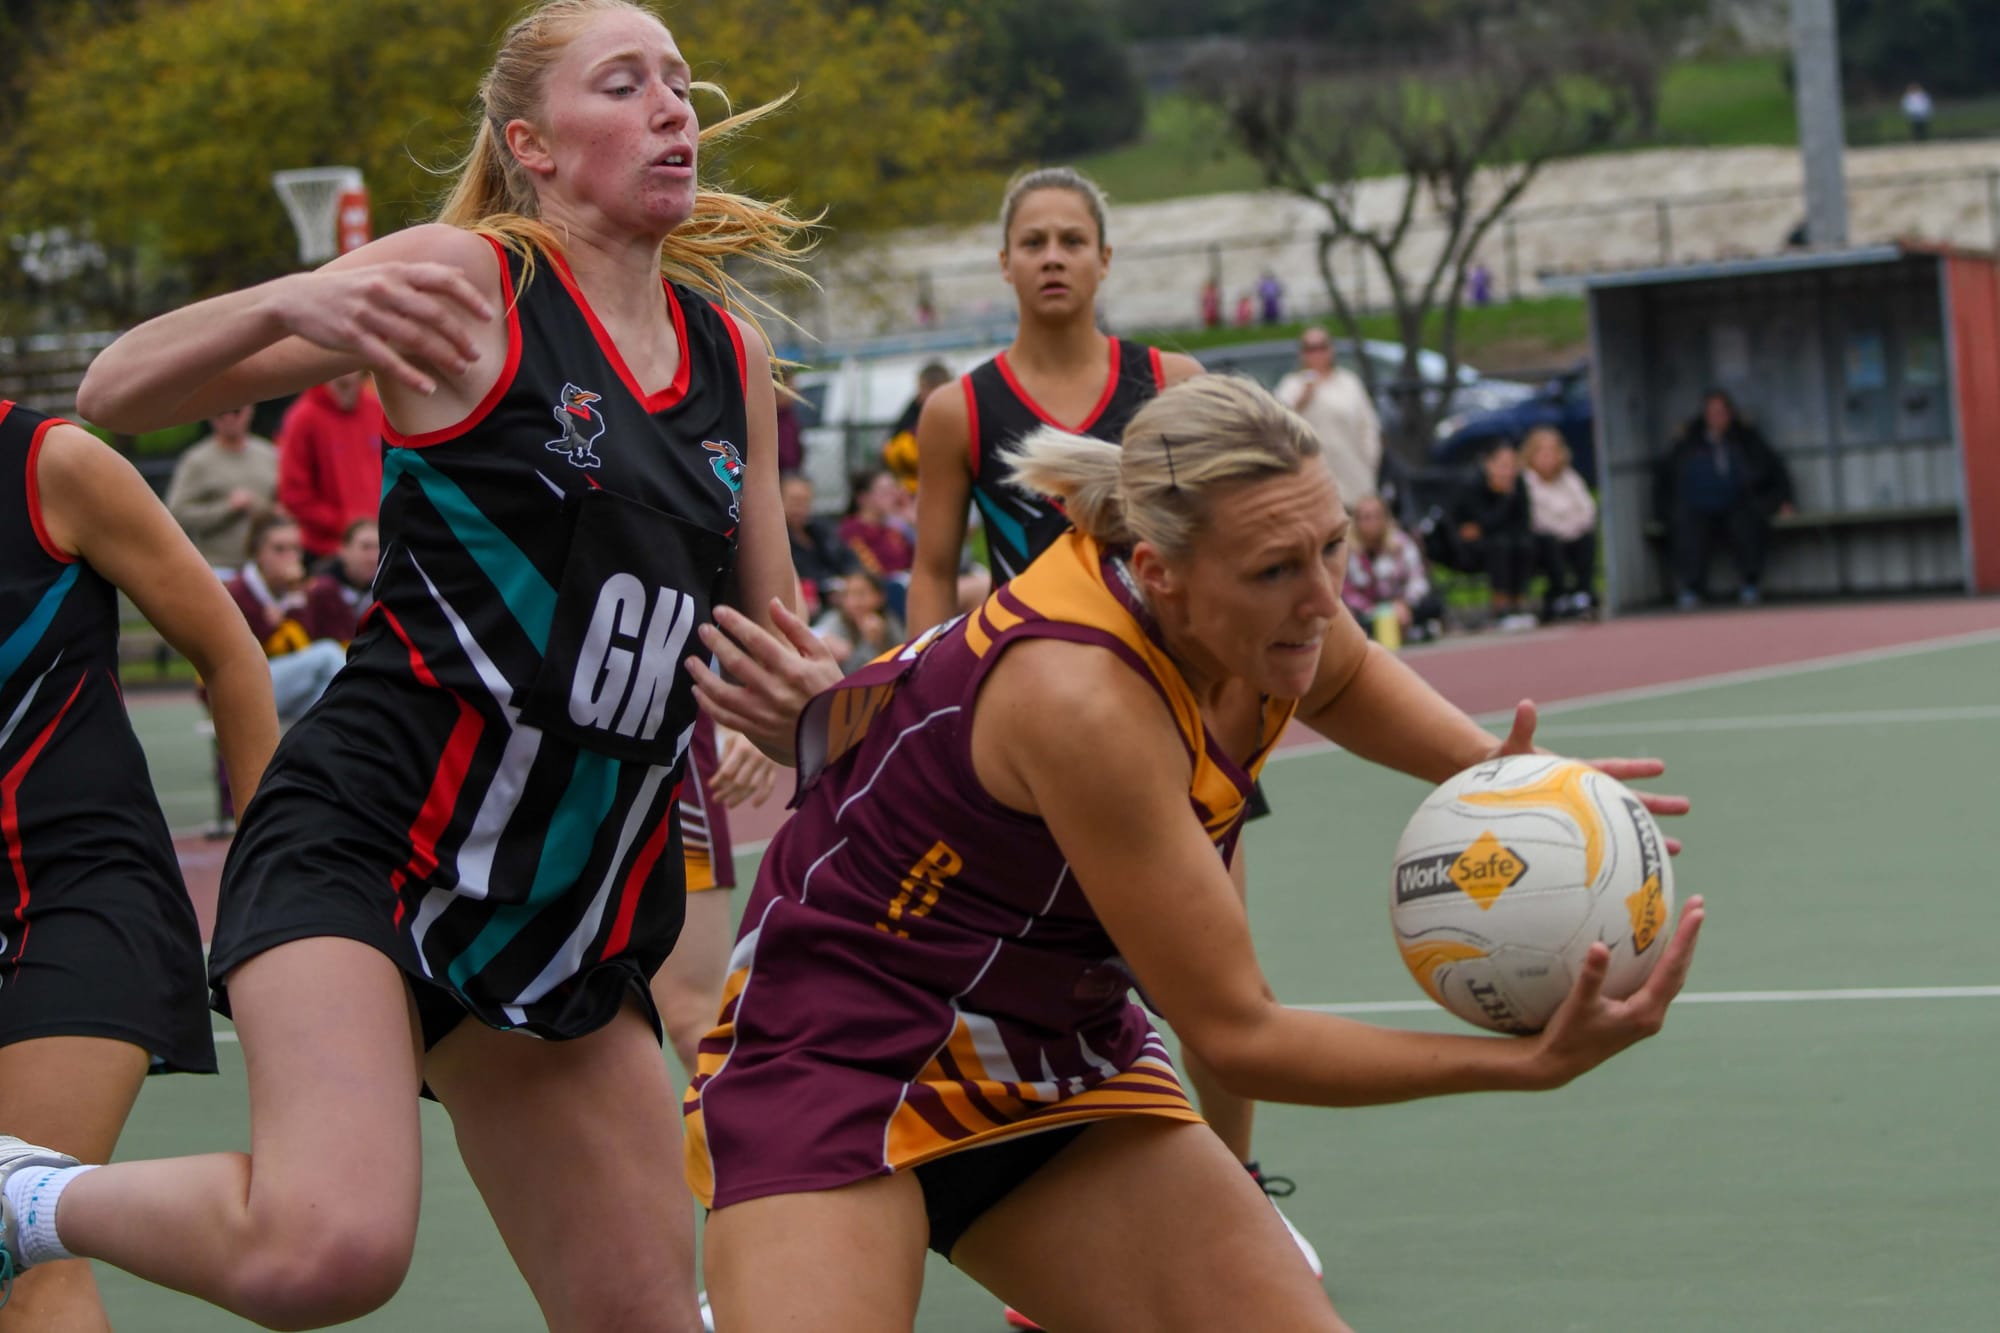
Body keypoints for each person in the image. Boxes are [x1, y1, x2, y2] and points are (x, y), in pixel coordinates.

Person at [0, 5, 808, 1329]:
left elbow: (774, 652)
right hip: (372, 839)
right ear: (533, 147)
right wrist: (292, 297)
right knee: (328, 1253)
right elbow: (112, 390)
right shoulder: (467, 283)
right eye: (627, 83)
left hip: (565, 895)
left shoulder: (732, 360)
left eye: (680, 80)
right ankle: (23, 1200)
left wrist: (797, 704)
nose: (675, 107)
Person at [682, 375, 1704, 1333]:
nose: (1318, 597)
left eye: (1330, 548)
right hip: (839, 1046)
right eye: (1275, 568)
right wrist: (1522, 1064)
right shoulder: (1082, 700)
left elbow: (1339, 679)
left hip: (1048, 1052)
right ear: (1157, 572)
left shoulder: (1267, 617)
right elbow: (1237, 1036)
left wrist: (1505, 779)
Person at [905, 169, 1297, 1318]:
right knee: (1041, 988)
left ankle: (1233, 1194)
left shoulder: (1169, 386)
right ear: (1005, 263)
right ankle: (1057, 1234)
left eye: (1073, 238)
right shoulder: (959, 412)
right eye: (1032, 240)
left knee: (1221, 984)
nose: (1053, 257)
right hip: (1037, 747)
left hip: (1182, 726)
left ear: (1105, 260)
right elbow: (932, 570)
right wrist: (909, 688)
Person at [0, 400, 276, 1329]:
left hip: (78, 891)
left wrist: (276, 877)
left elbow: (228, 652)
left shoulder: (51, 465)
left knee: (19, 1240)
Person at [1655, 389, 1794, 609]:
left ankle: (1750, 583)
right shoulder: (1691, 441)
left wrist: (1785, 499)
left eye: (1721, 412)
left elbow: (1774, 468)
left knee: (1748, 521)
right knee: (1685, 524)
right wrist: (1663, 510)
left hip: (1738, 502)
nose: (1716, 417)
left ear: (1730, 414)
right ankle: (1692, 587)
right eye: (1711, 413)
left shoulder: (1745, 438)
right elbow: (1667, 477)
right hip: (1700, 505)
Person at [225, 514, 348, 727]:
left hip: (290, 690)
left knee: (332, 703)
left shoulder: (304, 591)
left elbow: (304, 648)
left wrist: (293, 602)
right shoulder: (237, 592)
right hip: (243, 691)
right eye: (279, 549)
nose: (290, 557)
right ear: (258, 553)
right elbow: (245, 658)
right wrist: (274, 626)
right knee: (328, 654)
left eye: (296, 549)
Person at [275, 370, 385, 563]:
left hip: (379, 543)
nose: (347, 365)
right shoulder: (304, 416)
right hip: (327, 552)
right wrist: (345, 525)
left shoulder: (377, 409)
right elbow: (293, 494)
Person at [1274, 326, 1382, 511]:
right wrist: (1301, 401)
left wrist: (1370, 460)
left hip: (1354, 479)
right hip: (1312, 486)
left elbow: (1368, 426)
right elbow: (1278, 426)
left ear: (1331, 350)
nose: (1317, 354)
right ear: (1302, 354)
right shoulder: (1290, 385)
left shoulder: (1349, 382)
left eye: (1322, 347)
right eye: (1310, 348)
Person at [163, 404, 278, 575]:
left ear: (250, 411)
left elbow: (286, 506)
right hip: (219, 567)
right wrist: (227, 507)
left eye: (236, 411)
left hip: (265, 569)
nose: (229, 418)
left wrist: (263, 508)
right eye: (221, 413)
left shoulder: (270, 454)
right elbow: (177, 513)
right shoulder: (197, 461)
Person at [1448, 442, 1539, 629]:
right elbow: (1483, 524)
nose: (1509, 471)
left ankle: (1519, 602)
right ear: (1489, 465)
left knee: (1525, 544)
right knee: (1500, 545)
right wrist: (1506, 498)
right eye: (1503, 465)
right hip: (1471, 550)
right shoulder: (1472, 485)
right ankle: (1501, 605)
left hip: (1508, 539)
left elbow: (1524, 522)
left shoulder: (1518, 484)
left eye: (1513, 465)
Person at [1341, 494, 1443, 645]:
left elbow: (1417, 578)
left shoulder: (1401, 543)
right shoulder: (1347, 552)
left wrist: (1405, 604)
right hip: (1368, 611)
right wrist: (1378, 611)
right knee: (1350, 621)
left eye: (1376, 516)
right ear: (1356, 521)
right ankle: (1413, 632)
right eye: (1366, 517)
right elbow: (1346, 591)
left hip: (1402, 605)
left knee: (1432, 605)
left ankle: (1408, 629)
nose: (1372, 522)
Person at [1521, 427, 1597, 619]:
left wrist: (1575, 529)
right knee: (1549, 542)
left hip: (1573, 534)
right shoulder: (1526, 482)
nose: (1548, 457)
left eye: (1552, 451)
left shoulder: (1569, 478)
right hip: (1545, 540)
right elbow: (1538, 518)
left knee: (1587, 539)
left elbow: (1586, 509)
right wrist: (1565, 530)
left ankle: (1582, 593)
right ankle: (1559, 594)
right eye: (1542, 451)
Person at [782, 473, 854, 619]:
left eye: (805, 501)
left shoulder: (822, 531)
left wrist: (850, 583)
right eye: (795, 501)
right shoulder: (775, 538)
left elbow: (850, 560)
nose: (800, 508)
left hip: (842, 602)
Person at [300, 516, 380, 644]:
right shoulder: (322, 590)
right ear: (343, 550)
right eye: (365, 547)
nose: (372, 557)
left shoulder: (386, 589)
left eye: (377, 548)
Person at [812, 568, 905, 673]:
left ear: (880, 597)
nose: (852, 603)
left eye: (861, 594)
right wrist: (869, 642)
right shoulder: (834, 622)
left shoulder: (888, 621)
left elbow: (904, 660)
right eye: (847, 595)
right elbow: (855, 674)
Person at [881, 361, 951, 494]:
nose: (920, 397)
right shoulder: (914, 411)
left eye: (923, 389)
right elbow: (890, 446)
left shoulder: (954, 413)